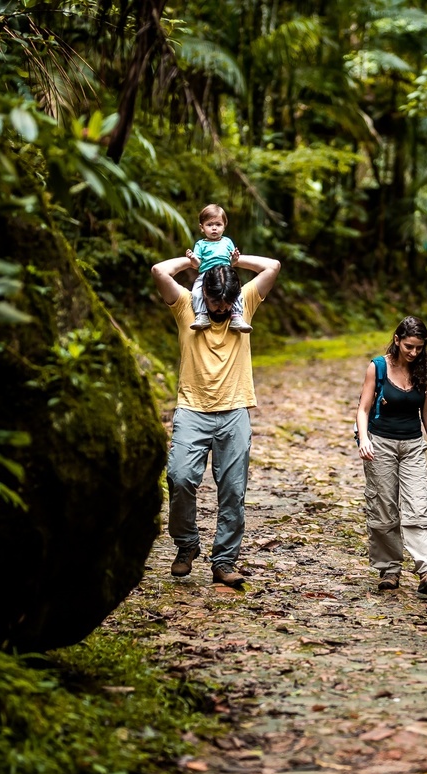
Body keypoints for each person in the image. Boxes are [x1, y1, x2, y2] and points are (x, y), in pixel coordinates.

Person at [150, 246, 281, 585]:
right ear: (203, 294)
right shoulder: (185, 306)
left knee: (233, 490)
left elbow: (273, 266)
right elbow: (158, 272)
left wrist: (236, 261)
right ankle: (187, 544)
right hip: (192, 410)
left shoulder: (244, 305)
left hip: (235, 410)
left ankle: (224, 561)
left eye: (226, 303)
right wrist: (192, 263)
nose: (221, 309)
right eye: (214, 302)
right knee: (179, 478)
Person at [354, 316, 427, 594]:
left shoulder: (424, 369)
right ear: (397, 340)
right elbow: (363, 408)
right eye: (409, 346)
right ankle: (389, 569)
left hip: (412, 446)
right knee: (383, 509)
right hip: (380, 444)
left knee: (418, 506)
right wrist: (364, 439)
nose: (414, 353)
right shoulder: (378, 367)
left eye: (419, 347)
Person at [188, 204, 251, 333]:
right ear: (202, 227)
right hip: (206, 275)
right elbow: (197, 264)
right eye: (210, 225)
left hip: (226, 274)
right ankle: (201, 315)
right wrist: (193, 258)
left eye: (218, 224)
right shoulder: (201, 244)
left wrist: (235, 258)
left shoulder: (227, 242)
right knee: (196, 292)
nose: (214, 228)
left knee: (236, 293)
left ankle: (237, 316)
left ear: (224, 226)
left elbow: (232, 262)